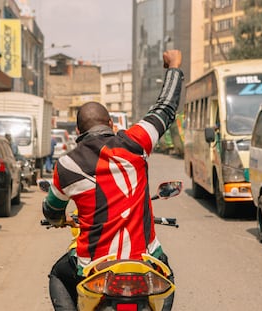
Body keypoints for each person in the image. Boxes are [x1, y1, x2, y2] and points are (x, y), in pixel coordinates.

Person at [43, 49, 183, 311]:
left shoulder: (66, 165)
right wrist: (174, 66)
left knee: (58, 276)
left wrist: (59, 220)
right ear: (111, 123)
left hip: (93, 267)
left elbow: (51, 210)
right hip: (144, 258)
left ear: (77, 131)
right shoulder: (135, 143)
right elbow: (165, 108)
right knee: (168, 277)